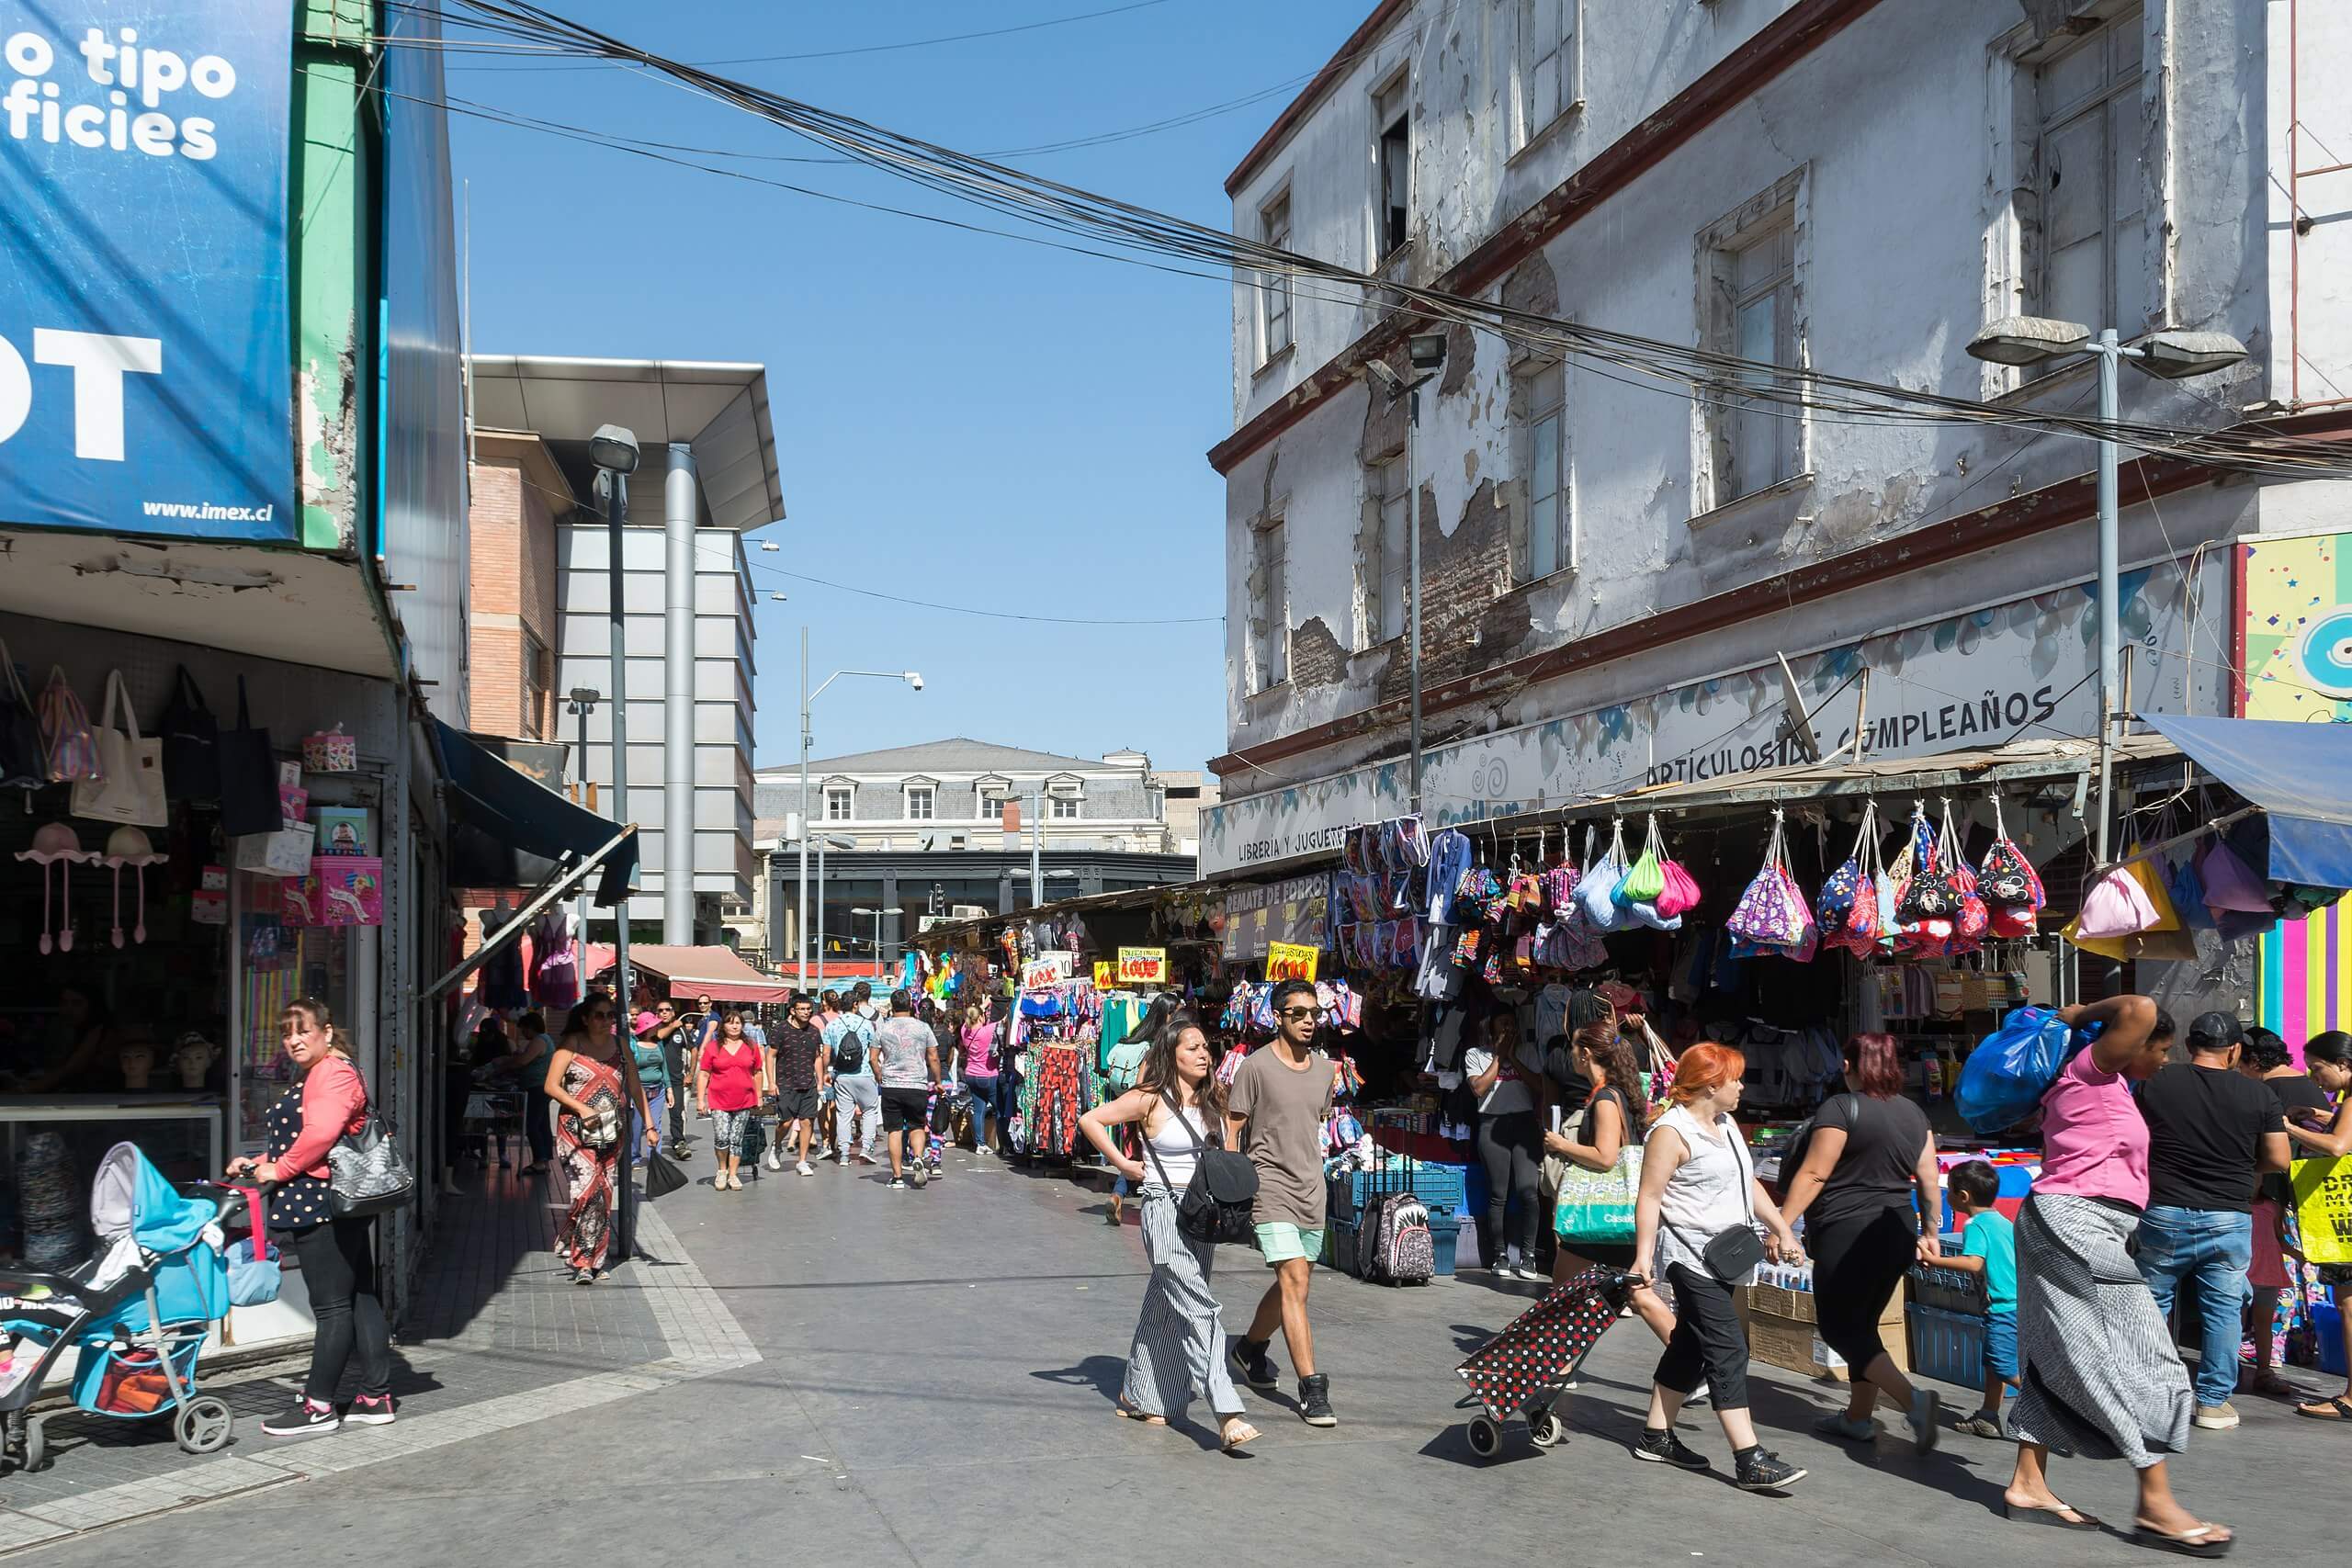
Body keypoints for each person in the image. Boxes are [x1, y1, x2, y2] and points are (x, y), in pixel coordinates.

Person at [2002, 998, 2231, 1553]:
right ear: (2131, 1044)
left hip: (2072, 1224)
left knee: (2054, 1350)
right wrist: (2078, 1014)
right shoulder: (2089, 1072)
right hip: (2073, 1223)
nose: (2164, 1057)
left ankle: (2028, 1484)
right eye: (2160, 1047)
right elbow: (2139, 1005)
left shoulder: (2110, 1086)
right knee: (2137, 1350)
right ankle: (2155, 1501)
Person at [1628, 1043, 1806, 1491]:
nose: (1742, 1087)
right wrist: (1642, 1258)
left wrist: (1782, 1229)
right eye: (1736, 1079)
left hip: (1726, 1256)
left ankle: (1656, 1436)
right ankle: (1749, 1457)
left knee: (1690, 1344)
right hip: (1690, 1257)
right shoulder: (1671, 1132)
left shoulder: (1725, 1124)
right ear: (1712, 1085)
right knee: (1728, 1349)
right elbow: (1648, 1197)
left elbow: (1747, 1184)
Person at [1079, 1011, 1261, 1452]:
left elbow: (1228, 1153)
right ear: (1171, 1054)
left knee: (1166, 1305)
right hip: (1163, 1209)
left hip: (1204, 1212)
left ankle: (1138, 1394)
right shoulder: (1149, 1098)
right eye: (1192, 1047)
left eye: (1205, 1047)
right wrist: (1123, 1165)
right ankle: (1226, 1408)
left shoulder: (1215, 1097)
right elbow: (1091, 1119)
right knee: (1199, 1306)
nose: (1203, 1054)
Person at [229, 998, 397, 1438]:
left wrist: (278, 1170)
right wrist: (260, 1162)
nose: (293, 1040)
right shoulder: (323, 1071)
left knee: (332, 1307)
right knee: (359, 1295)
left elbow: (320, 1135)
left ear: (326, 1031)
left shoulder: (332, 1073)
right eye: (287, 1032)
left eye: (303, 1030)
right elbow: (315, 1137)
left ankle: (319, 1404)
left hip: (320, 1201)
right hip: (328, 1196)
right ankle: (374, 1397)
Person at [1776, 1032, 1943, 1454]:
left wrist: (1781, 1224)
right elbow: (1928, 1179)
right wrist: (1931, 1233)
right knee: (1862, 1324)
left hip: (1847, 1231)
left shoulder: (1840, 1107)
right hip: (1897, 1230)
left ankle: (1912, 1401)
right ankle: (1857, 1418)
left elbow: (1815, 1173)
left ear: (1849, 1065)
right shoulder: (1913, 1113)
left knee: (1838, 1325)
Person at [2134, 1010, 2290, 1432]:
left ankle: (2149, 1392)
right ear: (2236, 1049)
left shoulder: (2155, 1083)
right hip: (2229, 1215)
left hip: (2164, 1209)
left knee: (2152, 1302)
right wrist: (2239, 1166)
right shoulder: (2259, 1095)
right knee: (2223, 1309)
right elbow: (2278, 1158)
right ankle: (2213, 1402)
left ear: (2188, 1045)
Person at [1226, 977, 1340, 1429]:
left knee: (1296, 1283)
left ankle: (1249, 1348)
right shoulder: (1254, 1067)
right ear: (1278, 1016)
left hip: (1312, 1187)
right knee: (1294, 1279)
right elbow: (1234, 1129)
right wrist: (1230, 1188)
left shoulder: (1325, 1070)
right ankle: (1312, 1389)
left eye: (1314, 1013)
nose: (1309, 1021)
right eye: (1299, 1013)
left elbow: (1313, 1126)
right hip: (1269, 1186)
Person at [1544, 1017, 1684, 1375]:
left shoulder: (1606, 1098)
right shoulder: (1619, 1093)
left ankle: (1560, 1365)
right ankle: (1693, 1361)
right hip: (1622, 1214)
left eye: (1573, 1047)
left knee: (1566, 1284)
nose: (1570, 1055)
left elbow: (1606, 1157)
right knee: (1634, 1294)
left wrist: (1562, 1144)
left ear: (1586, 1053)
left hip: (1603, 1213)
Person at [2237, 1028, 2327, 1398]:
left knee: (2270, 1279)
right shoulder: (2310, 1088)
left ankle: (2267, 1352)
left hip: (2277, 1198)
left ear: (2254, 1061)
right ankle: (2300, 1343)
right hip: (2315, 1196)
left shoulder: (2265, 1091)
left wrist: (2252, 1194)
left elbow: (2269, 1155)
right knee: (2306, 1274)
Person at [548, 996, 656, 1280]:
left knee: (602, 1193)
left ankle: (588, 1260)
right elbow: (550, 1085)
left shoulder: (620, 1045)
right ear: (585, 1018)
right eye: (599, 1015)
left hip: (612, 1130)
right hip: (575, 1131)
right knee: (584, 1191)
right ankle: (578, 1246)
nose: (605, 1021)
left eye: (610, 1015)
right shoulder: (572, 1044)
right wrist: (582, 1108)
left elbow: (634, 1085)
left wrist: (649, 1124)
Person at [2283, 1032, 2352, 1420]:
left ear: (2343, 1064)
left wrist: (2288, 1127)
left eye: (2318, 1068)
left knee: (2349, 1307)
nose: (2314, 1077)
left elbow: (2338, 1147)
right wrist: (2321, 1117)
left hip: (2347, 1222)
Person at [1938, 1160, 2019, 1439]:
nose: (1946, 1196)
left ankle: (2056, 1410)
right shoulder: (2002, 1221)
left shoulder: (1975, 1225)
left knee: (2003, 1365)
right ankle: (1988, 1416)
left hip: (2002, 1307)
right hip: (2017, 1304)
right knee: (1992, 1362)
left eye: (1948, 1190)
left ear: (1963, 1197)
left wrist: (1933, 1259)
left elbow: (1973, 1263)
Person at [1465, 1011, 1550, 1281]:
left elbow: (1539, 1087)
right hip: (1492, 1124)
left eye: (1512, 1023)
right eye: (1503, 1024)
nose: (1510, 1028)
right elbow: (1478, 1088)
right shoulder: (1475, 1054)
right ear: (1490, 1028)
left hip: (1524, 1124)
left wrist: (1513, 1056)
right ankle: (1499, 1254)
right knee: (1498, 1194)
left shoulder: (1528, 1051)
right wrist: (1499, 1056)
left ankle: (1529, 1255)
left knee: (1529, 1192)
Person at [870, 989, 942, 1190]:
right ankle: (918, 1157)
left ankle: (897, 1177)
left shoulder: (882, 1028)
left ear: (892, 1006)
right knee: (917, 1126)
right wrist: (937, 1081)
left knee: (894, 1130)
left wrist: (879, 1076)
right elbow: (933, 1057)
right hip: (917, 1084)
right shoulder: (923, 1027)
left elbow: (873, 1058)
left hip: (891, 1085)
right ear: (911, 1004)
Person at [695, 1009, 769, 1192]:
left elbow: (758, 1071)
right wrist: (700, 1099)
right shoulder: (714, 1047)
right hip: (719, 1099)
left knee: (736, 1139)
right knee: (722, 1138)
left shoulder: (750, 1045)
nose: (734, 1026)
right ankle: (722, 1169)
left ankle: (733, 1174)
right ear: (724, 1025)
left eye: (738, 1022)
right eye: (730, 1022)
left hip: (744, 1099)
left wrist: (759, 1096)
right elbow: (704, 1074)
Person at [766, 991, 829, 1177]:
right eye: (801, 1009)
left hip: (808, 1083)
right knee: (785, 1123)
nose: (806, 1012)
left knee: (807, 1122)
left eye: (808, 1009)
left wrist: (819, 1083)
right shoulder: (780, 1030)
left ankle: (802, 1161)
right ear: (792, 1010)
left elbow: (817, 1057)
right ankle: (777, 1146)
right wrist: (771, 1082)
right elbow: (770, 1056)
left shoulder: (814, 1031)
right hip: (786, 1083)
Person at [826, 990, 881, 1167]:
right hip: (865, 1074)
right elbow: (874, 1050)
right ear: (856, 1004)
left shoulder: (832, 1025)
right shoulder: (867, 1025)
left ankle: (843, 1154)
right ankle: (866, 1148)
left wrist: (827, 1072)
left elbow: (826, 1053)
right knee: (870, 1111)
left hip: (842, 1075)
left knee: (844, 1115)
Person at [503, 1010, 557, 1174]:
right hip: (541, 1087)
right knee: (542, 1125)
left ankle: (540, 1159)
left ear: (531, 1027)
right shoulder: (544, 1039)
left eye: (524, 1029)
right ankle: (544, 1160)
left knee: (532, 1124)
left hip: (537, 1088)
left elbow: (523, 1061)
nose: (523, 1033)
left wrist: (506, 1065)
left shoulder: (539, 1041)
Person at [645, 998, 697, 1160]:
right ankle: (652, 1150)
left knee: (677, 1113)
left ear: (673, 1012)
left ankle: (679, 1143)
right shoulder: (653, 1028)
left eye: (667, 1010)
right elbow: (658, 1037)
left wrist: (690, 1073)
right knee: (653, 1117)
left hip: (676, 1078)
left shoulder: (681, 1031)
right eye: (661, 1010)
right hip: (656, 1079)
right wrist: (671, 1027)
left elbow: (693, 1049)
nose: (664, 1013)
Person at [627, 1007, 669, 1172]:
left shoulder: (658, 1044)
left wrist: (669, 1088)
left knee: (655, 1125)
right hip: (639, 1091)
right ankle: (634, 1156)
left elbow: (664, 1066)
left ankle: (654, 1157)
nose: (657, 1027)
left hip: (658, 1090)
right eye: (654, 1025)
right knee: (636, 1126)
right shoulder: (633, 1045)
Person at [958, 1001, 1003, 1157]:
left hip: (971, 1075)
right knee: (1000, 1110)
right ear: (981, 1018)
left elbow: (972, 1016)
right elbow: (1004, 1020)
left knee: (978, 1111)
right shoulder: (988, 1031)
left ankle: (980, 1144)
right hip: (989, 1076)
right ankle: (1004, 1144)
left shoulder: (964, 1031)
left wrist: (983, 1005)